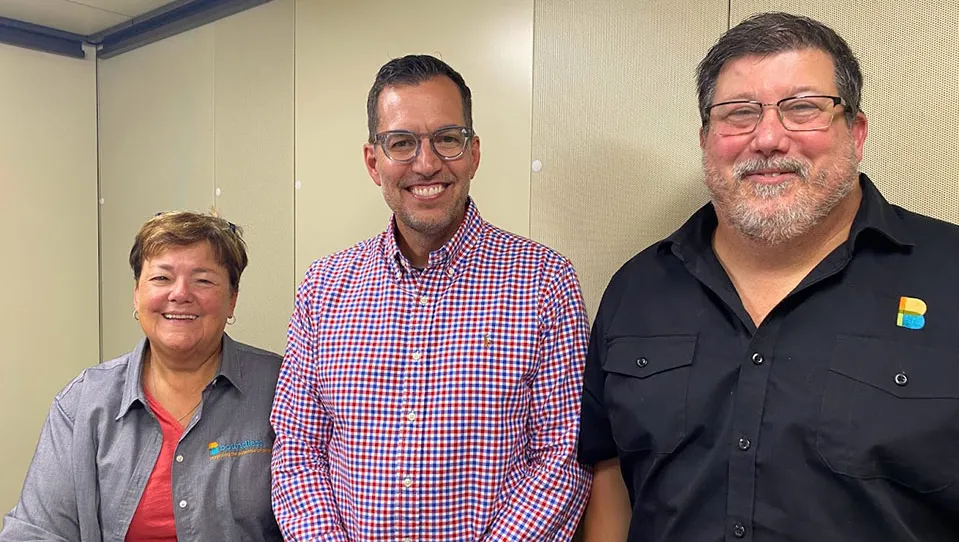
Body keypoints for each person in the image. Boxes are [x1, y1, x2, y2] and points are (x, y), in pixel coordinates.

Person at [579, 11, 959, 542]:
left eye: (803, 108)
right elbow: (611, 471)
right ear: (707, 137)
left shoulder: (950, 274)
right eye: (739, 114)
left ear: (856, 132)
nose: (768, 138)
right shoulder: (637, 289)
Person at [271, 54, 591, 541]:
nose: (426, 163)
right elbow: (299, 447)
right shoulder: (324, 288)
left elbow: (562, 454)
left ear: (474, 153)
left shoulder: (544, 283)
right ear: (372, 161)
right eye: (401, 143)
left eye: (447, 139)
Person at [1, 212, 282, 541]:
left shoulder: (281, 388)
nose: (180, 293)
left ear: (232, 299)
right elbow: (36, 532)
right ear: (136, 294)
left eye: (203, 280)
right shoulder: (81, 404)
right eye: (161, 278)